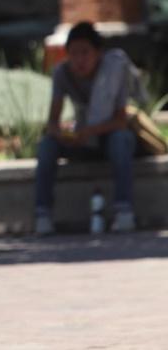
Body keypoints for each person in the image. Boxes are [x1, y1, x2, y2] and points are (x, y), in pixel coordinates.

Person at [34, 21, 145, 236]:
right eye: (74, 54)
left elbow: (121, 120)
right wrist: (63, 135)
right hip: (81, 140)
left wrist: (90, 131)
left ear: (98, 53)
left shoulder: (113, 70)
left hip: (107, 138)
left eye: (85, 53)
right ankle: (42, 215)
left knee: (121, 139)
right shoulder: (62, 73)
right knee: (47, 145)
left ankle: (124, 211)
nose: (79, 60)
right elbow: (52, 123)